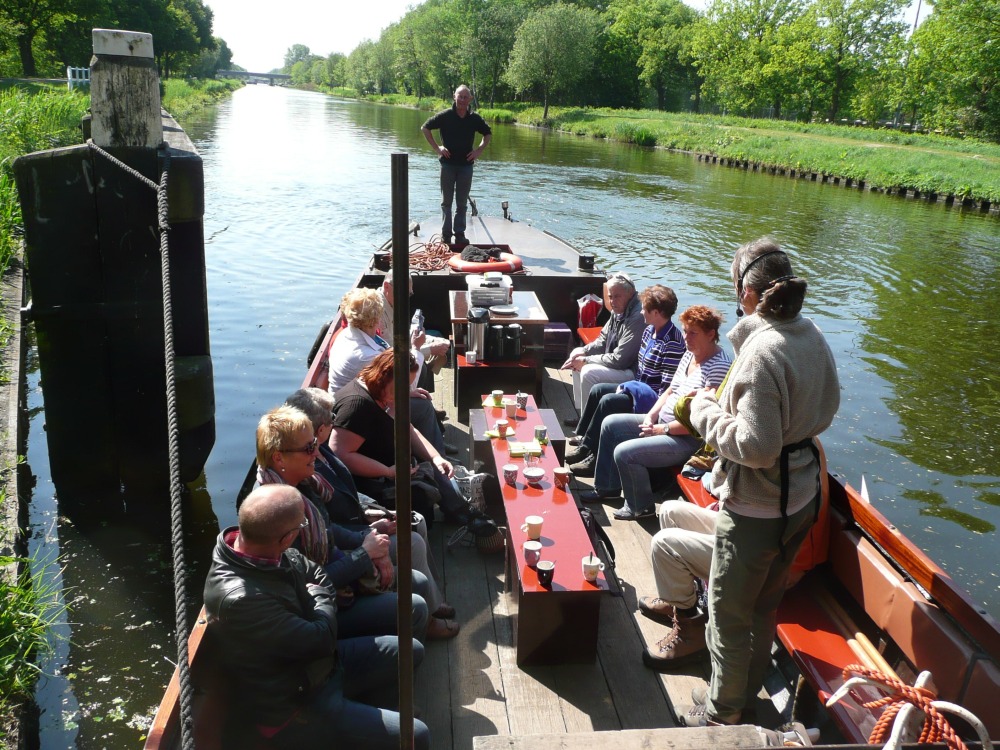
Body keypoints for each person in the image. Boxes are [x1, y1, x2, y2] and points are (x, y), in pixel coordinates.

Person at [680, 238, 839, 727]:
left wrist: (702, 410)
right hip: (802, 498)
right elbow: (829, 404)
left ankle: (722, 714)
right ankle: (742, 697)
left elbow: (756, 447)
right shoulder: (810, 333)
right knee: (763, 609)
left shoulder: (761, 351)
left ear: (747, 293)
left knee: (728, 615)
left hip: (757, 508)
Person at [203, 484, 431, 749]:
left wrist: (317, 597)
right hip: (299, 705)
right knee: (417, 735)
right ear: (287, 538)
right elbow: (320, 638)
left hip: (319, 669)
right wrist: (320, 596)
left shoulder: (264, 549)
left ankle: (378, 718)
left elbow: (316, 574)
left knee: (408, 650)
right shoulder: (242, 599)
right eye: (301, 526)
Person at [255, 405, 457, 641]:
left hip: (342, 564)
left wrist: (367, 538)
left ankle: (423, 618)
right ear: (279, 457)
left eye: (315, 442)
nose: (316, 452)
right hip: (327, 605)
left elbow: (328, 529)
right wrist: (366, 553)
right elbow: (313, 581)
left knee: (418, 580)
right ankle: (415, 631)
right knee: (416, 601)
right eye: (309, 447)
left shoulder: (304, 483)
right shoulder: (275, 511)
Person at [575, 305, 731, 521]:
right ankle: (607, 488)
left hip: (687, 439)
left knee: (625, 453)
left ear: (711, 334)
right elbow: (670, 390)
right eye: (685, 331)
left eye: (693, 333)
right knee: (610, 424)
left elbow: (701, 423)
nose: (686, 337)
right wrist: (651, 416)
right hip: (664, 424)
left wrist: (662, 429)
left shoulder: (719, 367)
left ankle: (640, 507)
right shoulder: (690, 354)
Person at [330, 349, 472, 526]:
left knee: (428, 483)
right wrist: (388, 471)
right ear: (383, 376)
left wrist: (436, 457)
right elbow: (340, 454)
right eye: (400, 386)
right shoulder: (357, 405)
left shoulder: (384, 395)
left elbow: (407, 428)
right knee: (421, 499)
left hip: (390, 469)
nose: (403, 391)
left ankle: (456, 507)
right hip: (367, 485)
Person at [564, 284, 685, 467]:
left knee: (609, 402)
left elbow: (667, 387)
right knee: (598, 391)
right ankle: (585, 441)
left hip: (651, 398)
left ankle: (593, 457)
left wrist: (651, 413)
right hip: (639, 388)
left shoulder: (672, 342)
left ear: (656, 313)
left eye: (645, 309)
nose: (641, 312)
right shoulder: (649, 331)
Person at [328, 287, 455, 455]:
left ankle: (433, 442)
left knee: (421, 390)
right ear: (375, 318)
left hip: (371, 395)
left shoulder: (349, 334)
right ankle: (438, 458)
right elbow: (405, 384)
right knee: (422, 406)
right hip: (360, 413)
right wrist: (416, 348)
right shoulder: (364, 355)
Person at [638, 500, 718, 671]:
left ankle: (691, 636)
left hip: (757, 545)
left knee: (664, 544)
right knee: (669, 511)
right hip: (739, 521)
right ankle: (678, 600)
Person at [561, 272, 646, 415]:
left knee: (588, 372)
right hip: (617, 362)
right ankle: (581, 414)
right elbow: (602, 340)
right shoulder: (618, 310)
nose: (612, 301)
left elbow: (621, 360)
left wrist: (586, 360)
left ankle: (587, 421)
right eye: (610, 297)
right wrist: (585, 351)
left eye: (617, 296)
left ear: (630, 294)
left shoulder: (637, 317)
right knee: (576, 353)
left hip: (631, 371)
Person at [421, 84, 492, 246]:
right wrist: (437, 148)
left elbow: (488, 134)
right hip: (447, 165)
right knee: (446, 202)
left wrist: (478, 151)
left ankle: (459, 235)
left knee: (462, 203)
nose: (462, 100)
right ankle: (446, 236)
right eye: (460, 96)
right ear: (454, 96)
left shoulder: (474, 118)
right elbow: (425, 128)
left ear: (470, 100)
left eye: (465, 97)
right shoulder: (445, 116)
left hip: (466, 166)